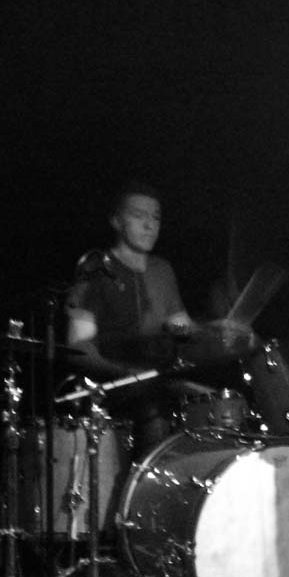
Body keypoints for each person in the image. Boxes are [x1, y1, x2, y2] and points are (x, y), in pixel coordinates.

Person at [65, 180, 198, 458]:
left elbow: (181, 327)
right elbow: (79, 348)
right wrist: (125, 374)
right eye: (139, 216)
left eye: (156, 217)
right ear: (116, 220)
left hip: (160, 383)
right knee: (154, 408)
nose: (150, 225)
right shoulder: (96, 270)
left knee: (213, 402)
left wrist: (215, 332)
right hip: (114, 388)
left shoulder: (163, 271)